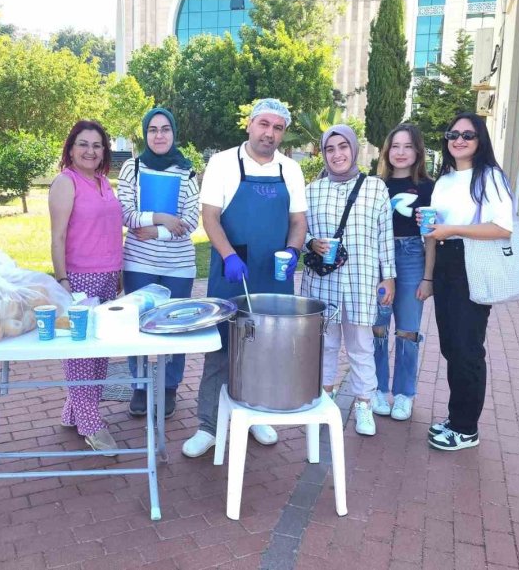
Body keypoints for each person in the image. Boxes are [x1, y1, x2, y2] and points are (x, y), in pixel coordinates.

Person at [182, 98, 308, 458]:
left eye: (278, 127)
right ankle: (208, 425)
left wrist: (293, 252)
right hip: (232, 271)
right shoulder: (222, 162)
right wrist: (229, 256)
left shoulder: (291, 170)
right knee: (220, 347)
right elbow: (210, 218)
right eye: (264, 124)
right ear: (250, 125)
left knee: (265, 347)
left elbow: (298, 222)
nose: (270, 133)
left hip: (273, 273)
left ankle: (257, 415)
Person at [420, 112, 514, 451]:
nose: (459, 140)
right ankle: (456, 417)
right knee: (451, 347)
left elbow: (502, 228)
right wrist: (428, 276)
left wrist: (452, 229)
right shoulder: (443, 181)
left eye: (468, 135)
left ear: (480, 141)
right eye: (453, 134)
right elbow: (433, 233)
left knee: (467, 348)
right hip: (444, 263)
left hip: (471, 262)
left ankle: (465, 428)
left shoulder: (489, 177)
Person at [301, 125, 395, 437]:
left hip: (361, 280)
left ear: (354, 150)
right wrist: (312, 242)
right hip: (322, 281)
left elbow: (385, 237)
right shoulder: (312, 190)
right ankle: (324, 401)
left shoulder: (375, 188)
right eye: (330, 149)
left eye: (343, 147)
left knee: (361, 346)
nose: (337, 154)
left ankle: (364, 405)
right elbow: (298, 230)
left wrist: (389, 277)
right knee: (324, 344)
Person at [117, 108, 200, 419]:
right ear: (145, 133)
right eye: (153, 129)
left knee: (174, 326)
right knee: (136, 325)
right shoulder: (132, 167)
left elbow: (191, 221)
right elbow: (124, 213)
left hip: (178, 266)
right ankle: (139, 385)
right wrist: (162, 218)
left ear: (174, 133)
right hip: (139, 262)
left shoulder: (187, 171)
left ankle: (168, 386)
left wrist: (155, 232)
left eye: (165, 129)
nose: (160, 135)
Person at [48, 120, 124, 456]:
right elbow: (58, 236)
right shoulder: (66, 183)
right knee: (81, 354)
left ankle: (74, 411)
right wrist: (63, 280)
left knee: (100, 352)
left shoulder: (104, 182)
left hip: (108, 277)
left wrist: (118, 272)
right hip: (80, 279)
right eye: (83, 144)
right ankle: (91, 424)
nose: (90, 151)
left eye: (97, 145)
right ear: (71, 148)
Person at [372, 124, 435, 422]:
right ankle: (377, 388)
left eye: (407, 146)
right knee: (378, 327)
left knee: (408, 330)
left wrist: (428, 277)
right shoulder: (374, 185)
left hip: (412, 258)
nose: (400, 152)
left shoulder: (428, 187)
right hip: (379, 261)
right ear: (387, 150)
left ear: (417, 151)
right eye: (395, 146)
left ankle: (404, 394)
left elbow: (432, 236)